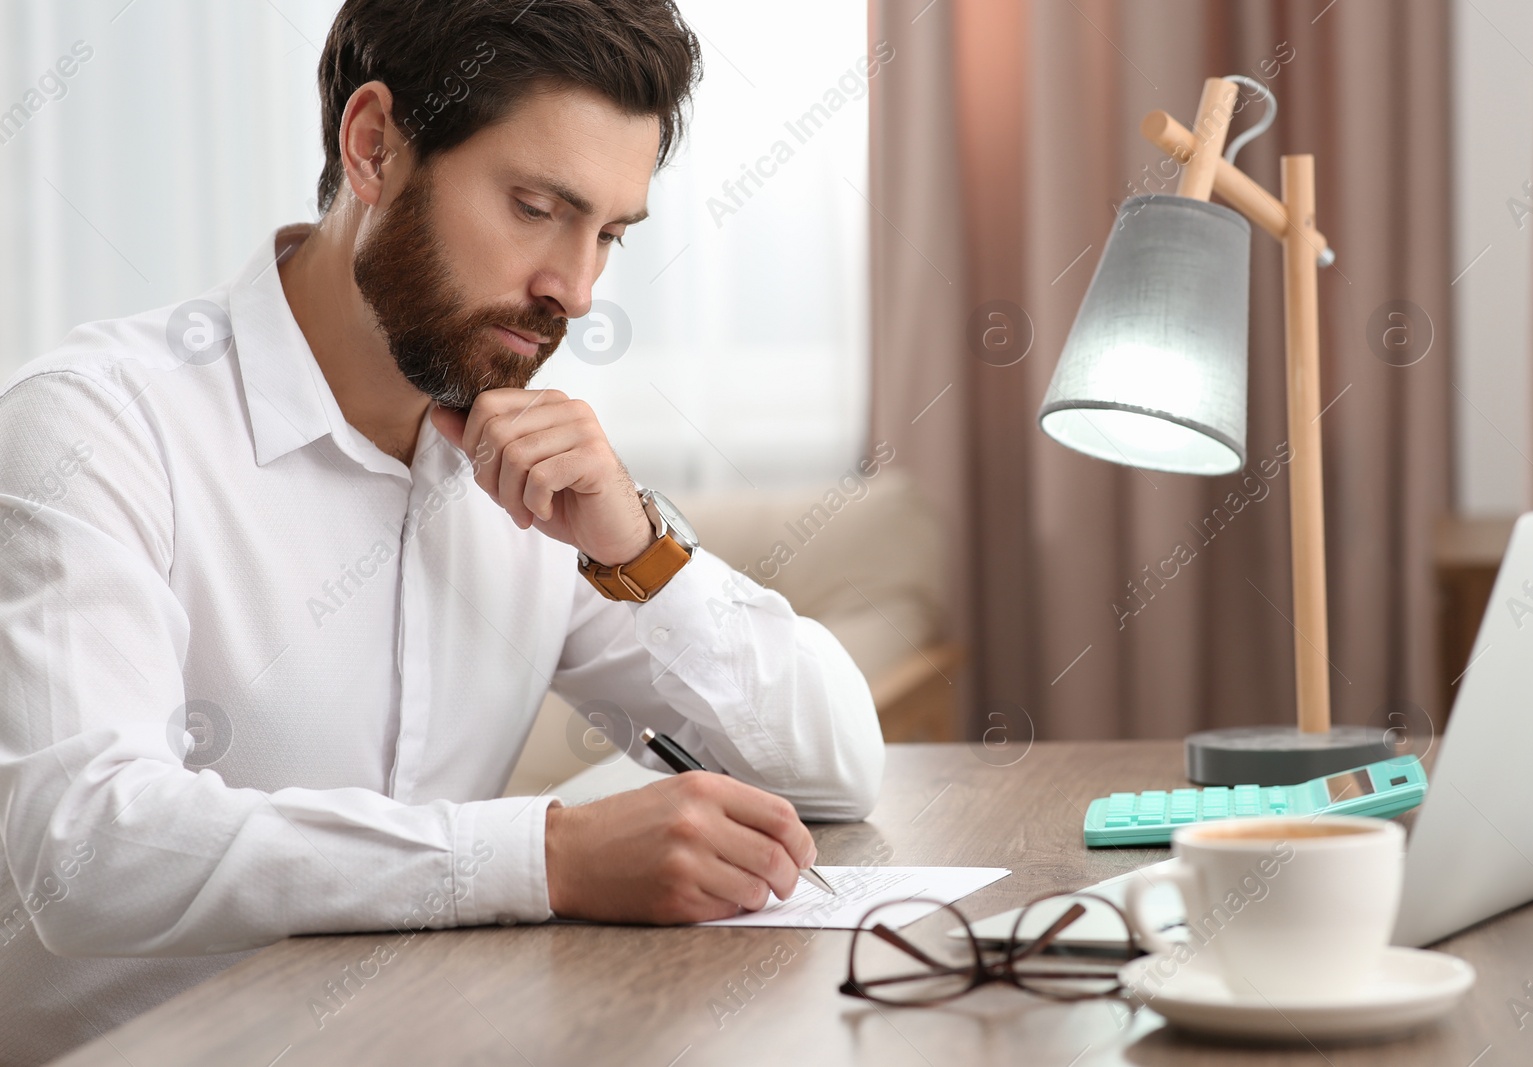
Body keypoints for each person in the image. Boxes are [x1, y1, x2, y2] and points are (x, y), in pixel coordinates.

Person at [0, 2, 884, 1061]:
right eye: (534, 207)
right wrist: (545, 855)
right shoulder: (94, 424)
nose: (578, 288)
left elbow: (836, 766)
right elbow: (86, 853)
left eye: (606, 233)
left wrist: (635, 546)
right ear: (372, 145)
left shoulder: (528, 475)